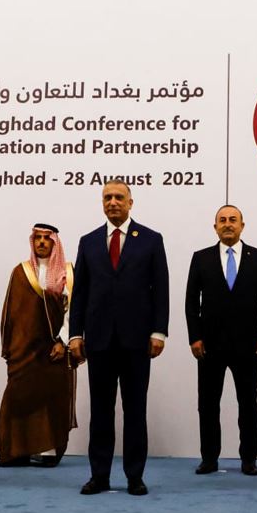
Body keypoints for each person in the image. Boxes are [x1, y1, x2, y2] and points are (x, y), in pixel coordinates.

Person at [68, 180, 168, 496]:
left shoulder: (151, 239)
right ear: (102, 203)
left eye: (119, 197)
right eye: (107, 197)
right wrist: (74, 334)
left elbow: (161, 288)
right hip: (98, 340)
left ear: (130, 202)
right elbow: (80, 292)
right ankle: (99, 476)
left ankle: (135, 476)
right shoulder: (88, 242)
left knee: (135, 411)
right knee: (100, 412)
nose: (113, 202)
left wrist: (158, 331)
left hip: (137, 340)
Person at [184, 204, 257, 476]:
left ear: (242, 225)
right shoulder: (201, 258)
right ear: (215, 227)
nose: (227, 224)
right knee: (207, 404)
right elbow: (191, 302)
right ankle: (209, 458)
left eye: (233, 219)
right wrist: (195, 337)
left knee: (248, 404)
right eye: (222, 220)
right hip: (209, 345)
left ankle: (249, 459)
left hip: (248, 344)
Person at [0, 223, 80, 468]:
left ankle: (47, 451)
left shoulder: (67, 273)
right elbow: (11, 312)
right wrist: (11, 346)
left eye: (47, 238)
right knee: (18, 398)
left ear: (55, 243)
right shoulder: (21, 272)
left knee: (51, 399)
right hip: (25, 348)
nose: (42, 242)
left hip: (55, 349)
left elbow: (73, 312)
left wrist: (63, 342)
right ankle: (17, 451)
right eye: (38, 238)